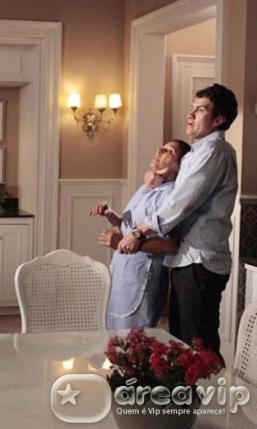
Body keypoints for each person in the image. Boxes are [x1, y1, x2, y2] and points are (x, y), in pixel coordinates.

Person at [117, 83, 238, 359]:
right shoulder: (198, 152)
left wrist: (139, 231)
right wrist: (154, 178)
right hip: (187, 260)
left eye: (200, 110)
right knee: (182, 344)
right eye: (192, 108)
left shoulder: (214, 151)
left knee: (198, 348)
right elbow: (172, 188)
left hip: (200, 261)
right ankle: (189, 390)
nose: (190, 115)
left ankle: (214, 389)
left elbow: (181, 202)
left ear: (218, 120)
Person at [90, 139, 190, 329]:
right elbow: (128, 228)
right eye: (162, 147)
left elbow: (170, 244)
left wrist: (120, 243)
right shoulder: (148, 188)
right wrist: (109, 214)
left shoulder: (170, 197)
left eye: (169, 150)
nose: (159, 150)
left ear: (180, 165)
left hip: (141, 278)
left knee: (134, 338)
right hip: (121, 274)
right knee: (111, 335)